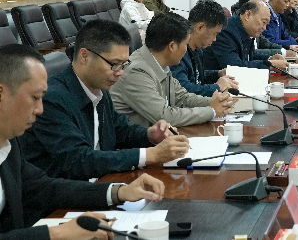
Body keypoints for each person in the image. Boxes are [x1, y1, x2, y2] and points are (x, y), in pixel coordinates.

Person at [0, 44, 165, 240]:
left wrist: (118, 192)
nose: (40, 109)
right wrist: (56, 233)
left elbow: (44, 188)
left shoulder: (9, 144)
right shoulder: (54, 100)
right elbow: (77, 159)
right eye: (35, 97)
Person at [18, 20, 190, 181]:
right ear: (84, 56)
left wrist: (150, 135)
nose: (120, 72)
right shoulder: (52, 99)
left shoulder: (99, 88)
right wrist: (151, 155)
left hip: (100, 183)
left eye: (123, 64)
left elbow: (120, 130)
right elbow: (78, 160)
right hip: (66, 196)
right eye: (114, 64)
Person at [110, 13, 236, 127]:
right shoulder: (136, 72)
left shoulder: (159, 62)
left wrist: (216, 102)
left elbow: (182, 98)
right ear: (172, 46)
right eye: (185, 44)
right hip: (136, 142)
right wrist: (212, 111)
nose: (187, 50)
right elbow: (165, 116)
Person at [170, 0, 239, 97]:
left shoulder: (198, 49)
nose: (215, 39)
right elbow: (183, 89)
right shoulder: (178, 51)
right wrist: (217, 87)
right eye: (214, 34)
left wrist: (218, 74)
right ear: (200, 27)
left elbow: (197, 77)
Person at [205, 0, 290, 71]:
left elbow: (251, 56)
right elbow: (234, 67)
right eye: (263, 22)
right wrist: (269, 65)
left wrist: (270, 59)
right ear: (248, 15)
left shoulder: (244, 28)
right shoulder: (226, 32)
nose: (264, 28)